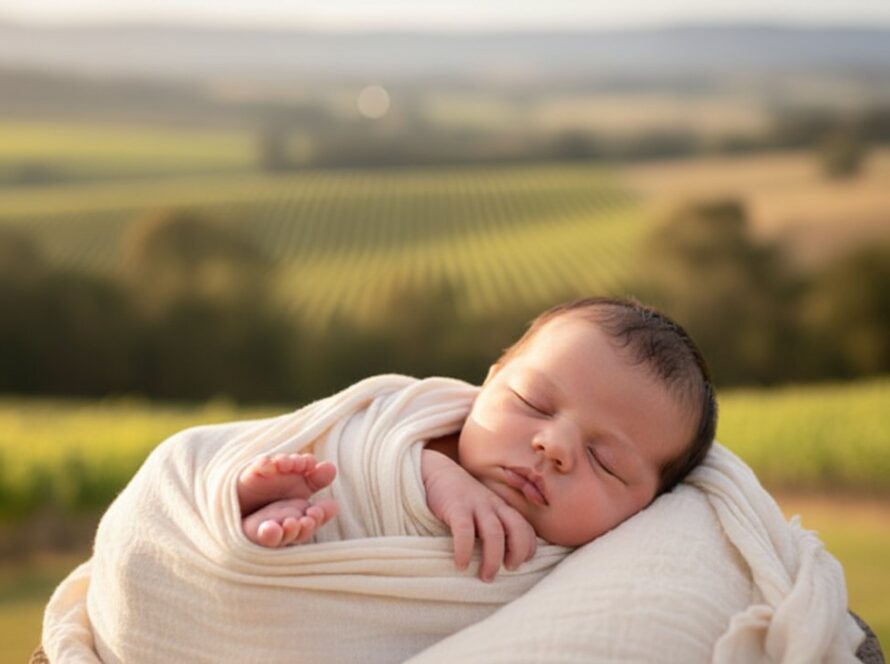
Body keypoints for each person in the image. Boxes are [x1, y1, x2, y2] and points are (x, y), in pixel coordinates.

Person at [237, 296, 717, 581]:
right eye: (532, 402)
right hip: (314, 515)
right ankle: (249, 506)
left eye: (604, 461)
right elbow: (359, 439)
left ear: (649, 507)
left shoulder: (592, 575)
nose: (554, 446)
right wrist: (431, 472)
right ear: (488, 382)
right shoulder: (416, 424)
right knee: (289, 482)